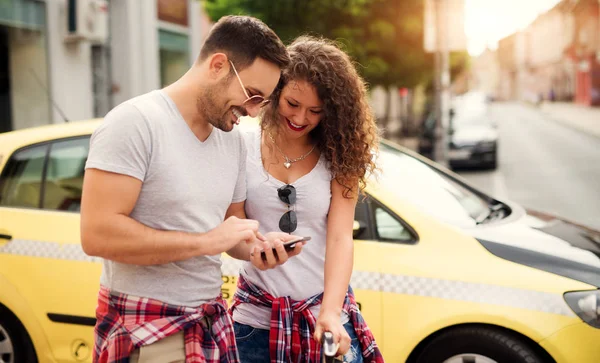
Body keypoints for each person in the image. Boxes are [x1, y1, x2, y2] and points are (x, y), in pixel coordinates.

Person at [81, 15, 302, 363]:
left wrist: (260, 247)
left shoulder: (233, 142)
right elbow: (97, 235)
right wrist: (206, 242)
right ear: (217, 66)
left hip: (210, 323)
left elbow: (232, 231)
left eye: (263, 102)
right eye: (252, 95)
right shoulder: (135, 123)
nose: (253, 111)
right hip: (147, 328)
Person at [230, 36, 385, 363]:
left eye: (316, 111)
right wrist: (255, 250)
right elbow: (233, 232)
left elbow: (341, 237)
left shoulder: (340, 154)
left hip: (323, 318)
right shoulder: (240, 145)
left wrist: (330, 311)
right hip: (254, 324)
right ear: (275, 92)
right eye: (292, 104)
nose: (301, 118)